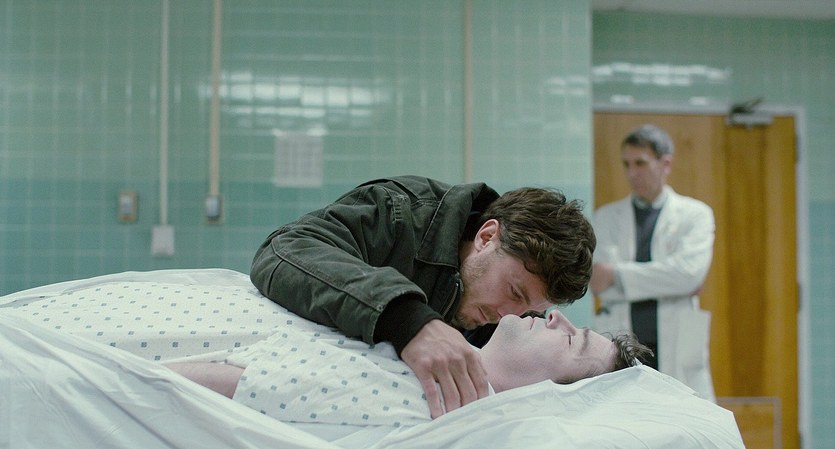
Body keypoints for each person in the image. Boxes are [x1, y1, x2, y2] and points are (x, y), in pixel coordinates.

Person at [249, 176, 597, 418]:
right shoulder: (399, 213)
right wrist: (407, 319)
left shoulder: (512, 313)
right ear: (486, 237)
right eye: (514, 292)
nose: (508, 316)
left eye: (529, 309)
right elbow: (285, 251)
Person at [166, 308, 652, 425]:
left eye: (570, 339)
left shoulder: (427, 399)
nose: (556, 316)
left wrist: (117, 372)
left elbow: (243, 385)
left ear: (548, 396)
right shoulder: (439, 346)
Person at [590, 124, 716, 400]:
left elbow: (688, 275)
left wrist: (617, 275)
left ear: (665, 164)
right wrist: (671, 281)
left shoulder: (695, 215)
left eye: (641, 163)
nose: (631, 173)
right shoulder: (606, 218)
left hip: (677, 344)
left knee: (685, 419)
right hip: (624, 340)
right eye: (626, 164)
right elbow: (598, 283)